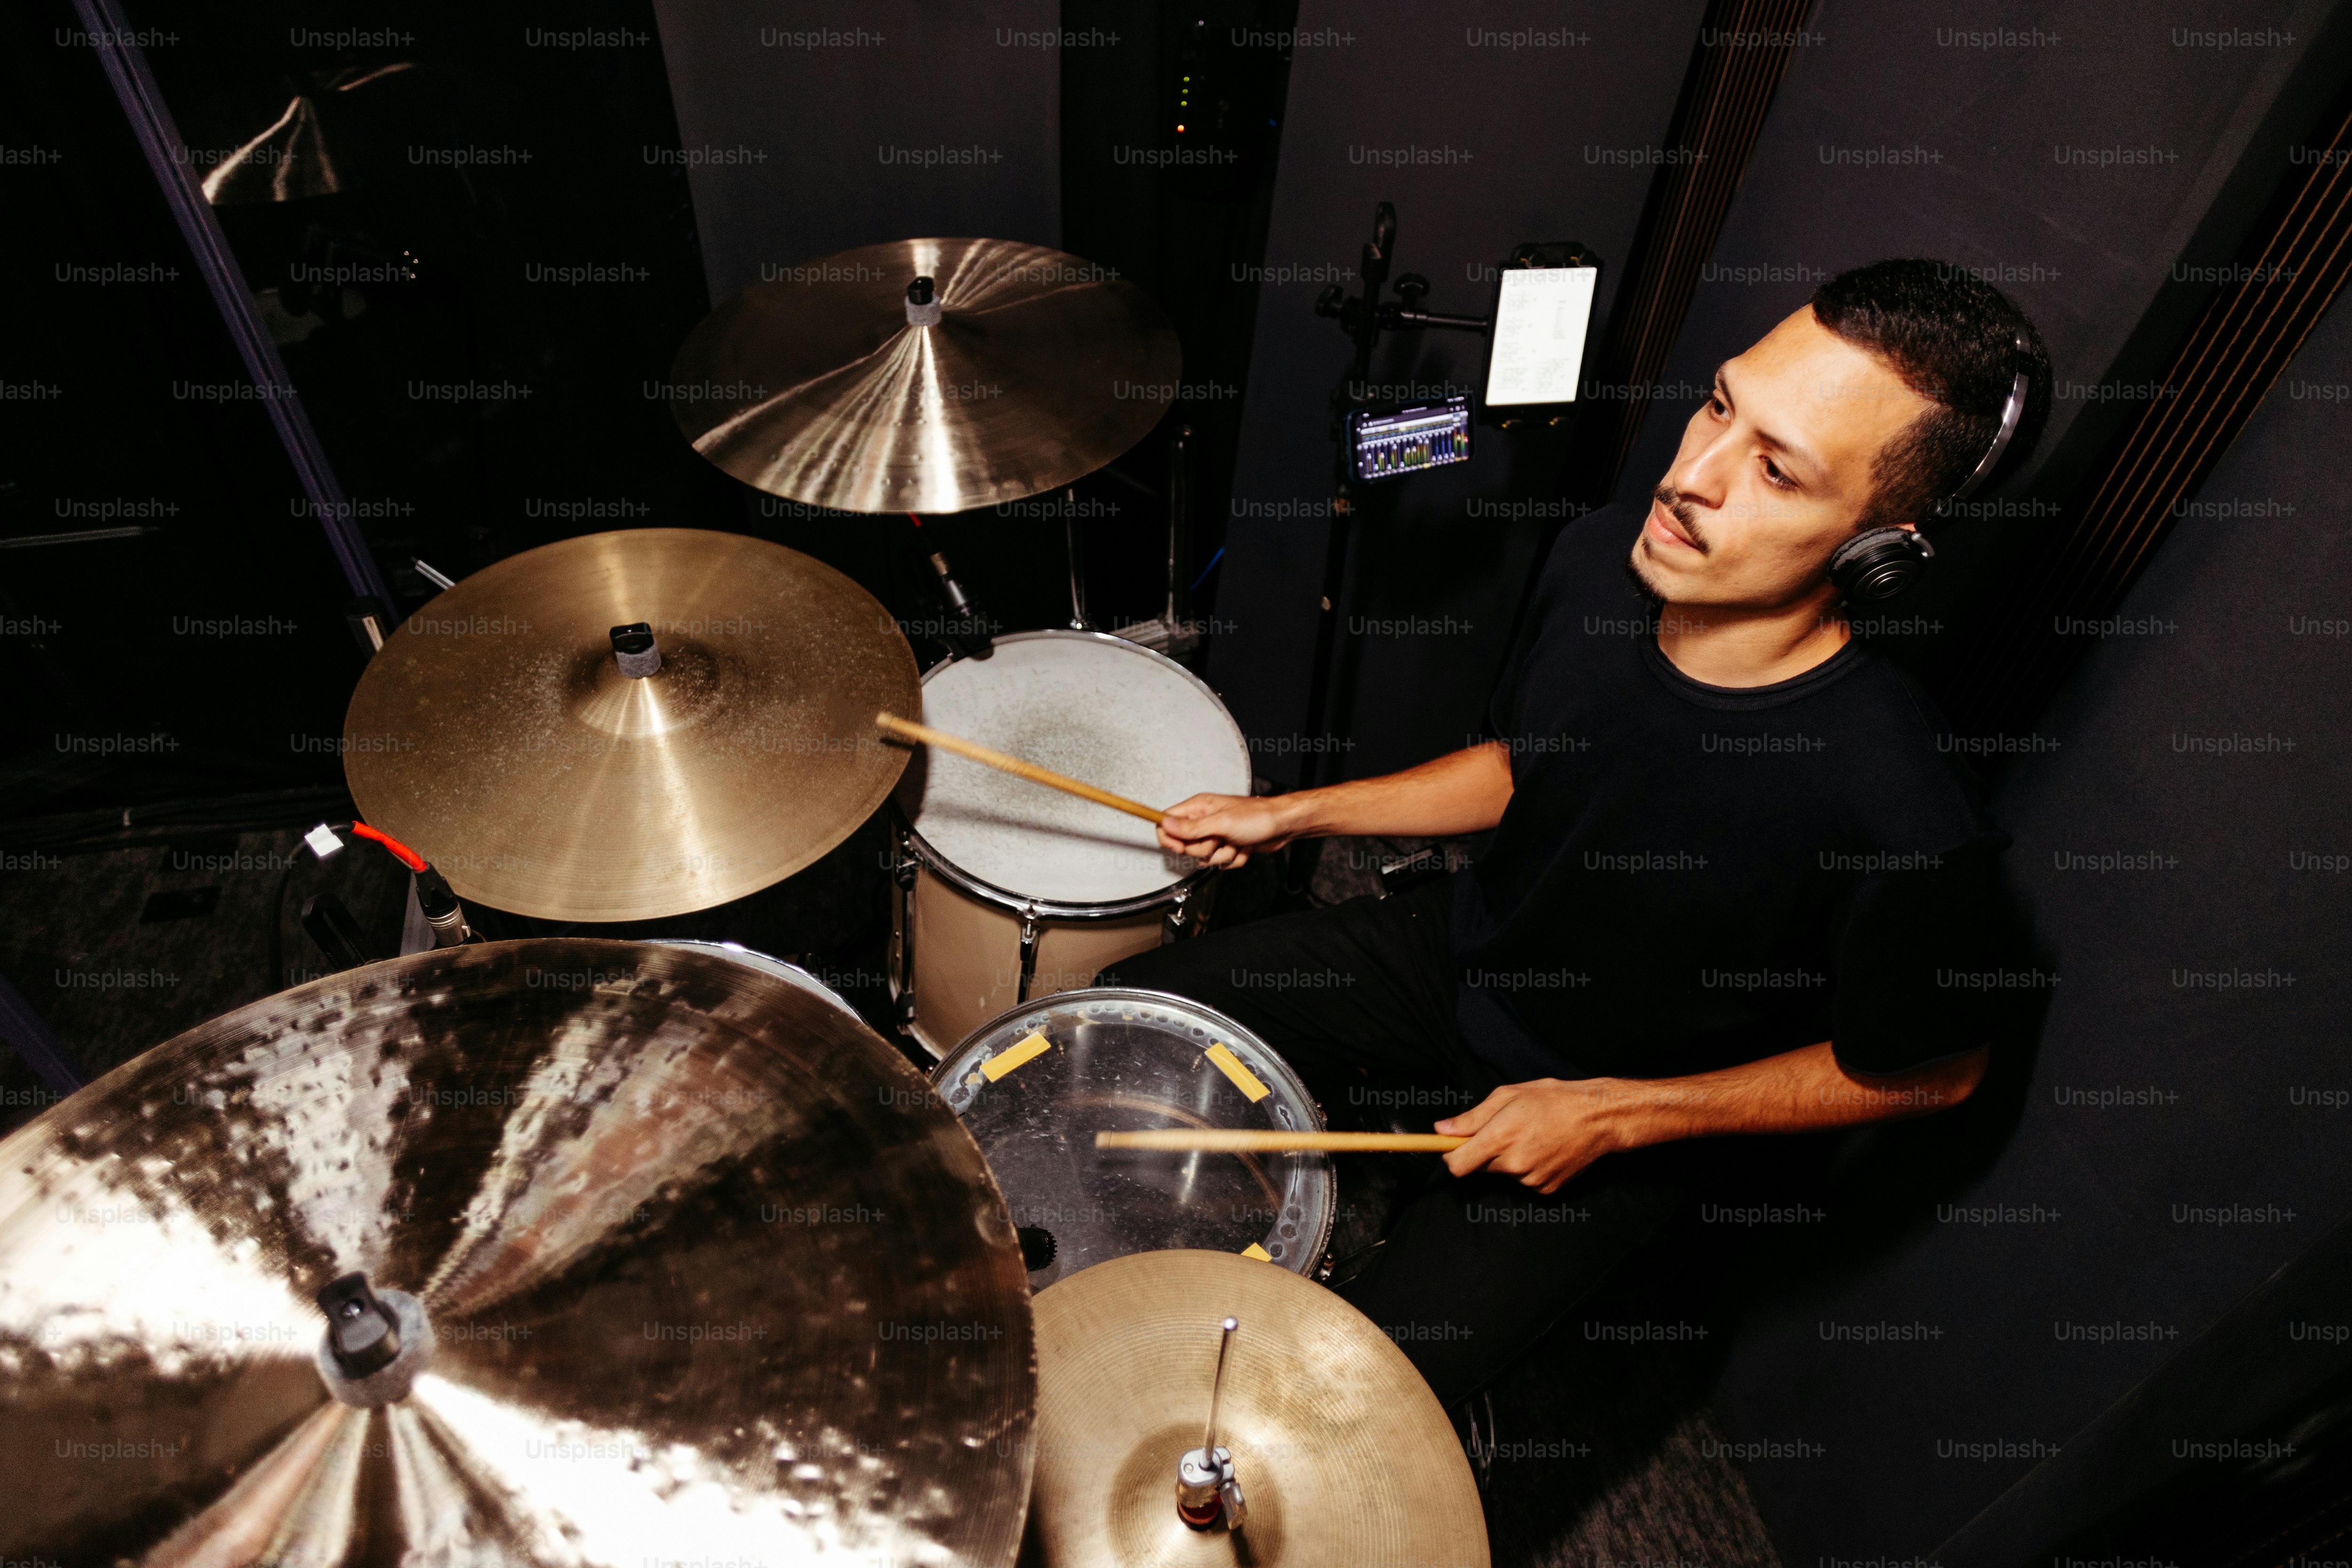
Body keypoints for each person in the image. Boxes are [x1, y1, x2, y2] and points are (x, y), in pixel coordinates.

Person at [1102, 258, 2051, 1408]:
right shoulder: (1602, 557)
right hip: (1463, 951)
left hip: (1625, 1106)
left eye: (1773, 468)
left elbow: (1937, 1072)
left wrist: (1612, 1110)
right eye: (1717, 405)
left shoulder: (1902, 810)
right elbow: (1520, 764)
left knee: (1338, 1404)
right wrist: (1289, 811)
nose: (1689, 478)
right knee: (1129, 1015)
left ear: (1876, 550)